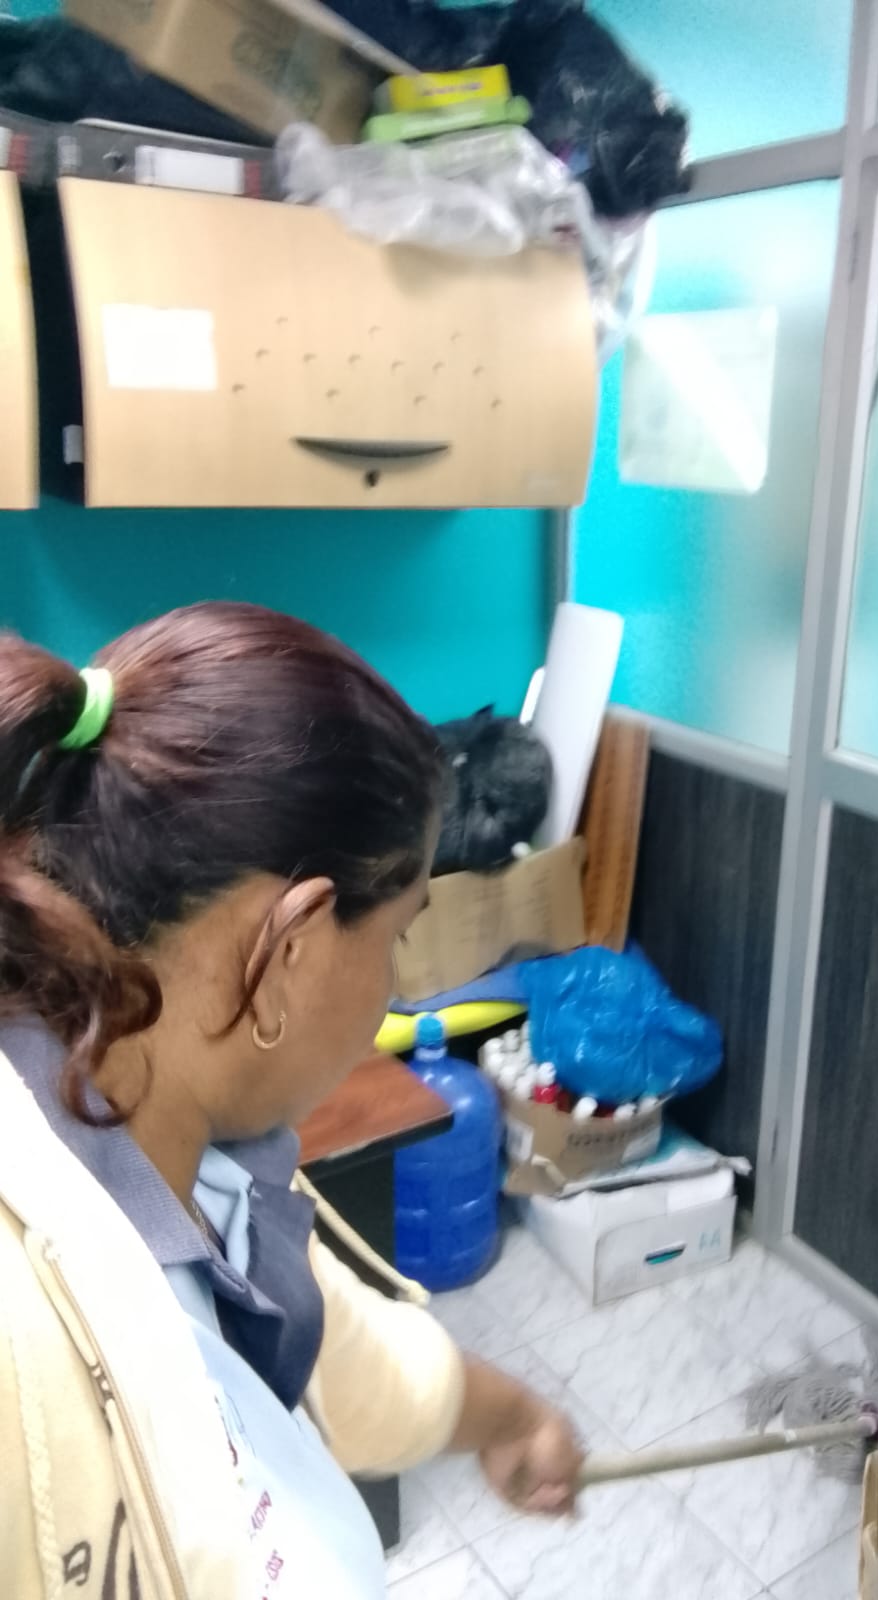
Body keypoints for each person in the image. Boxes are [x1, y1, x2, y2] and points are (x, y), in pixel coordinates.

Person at [0, 601, 583, 1599]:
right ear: (292, 948)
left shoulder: (170, 1144)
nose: (393, 988)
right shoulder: (27, 1348)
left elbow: (341, 1356)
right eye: (398, 936)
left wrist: (512, 1418)